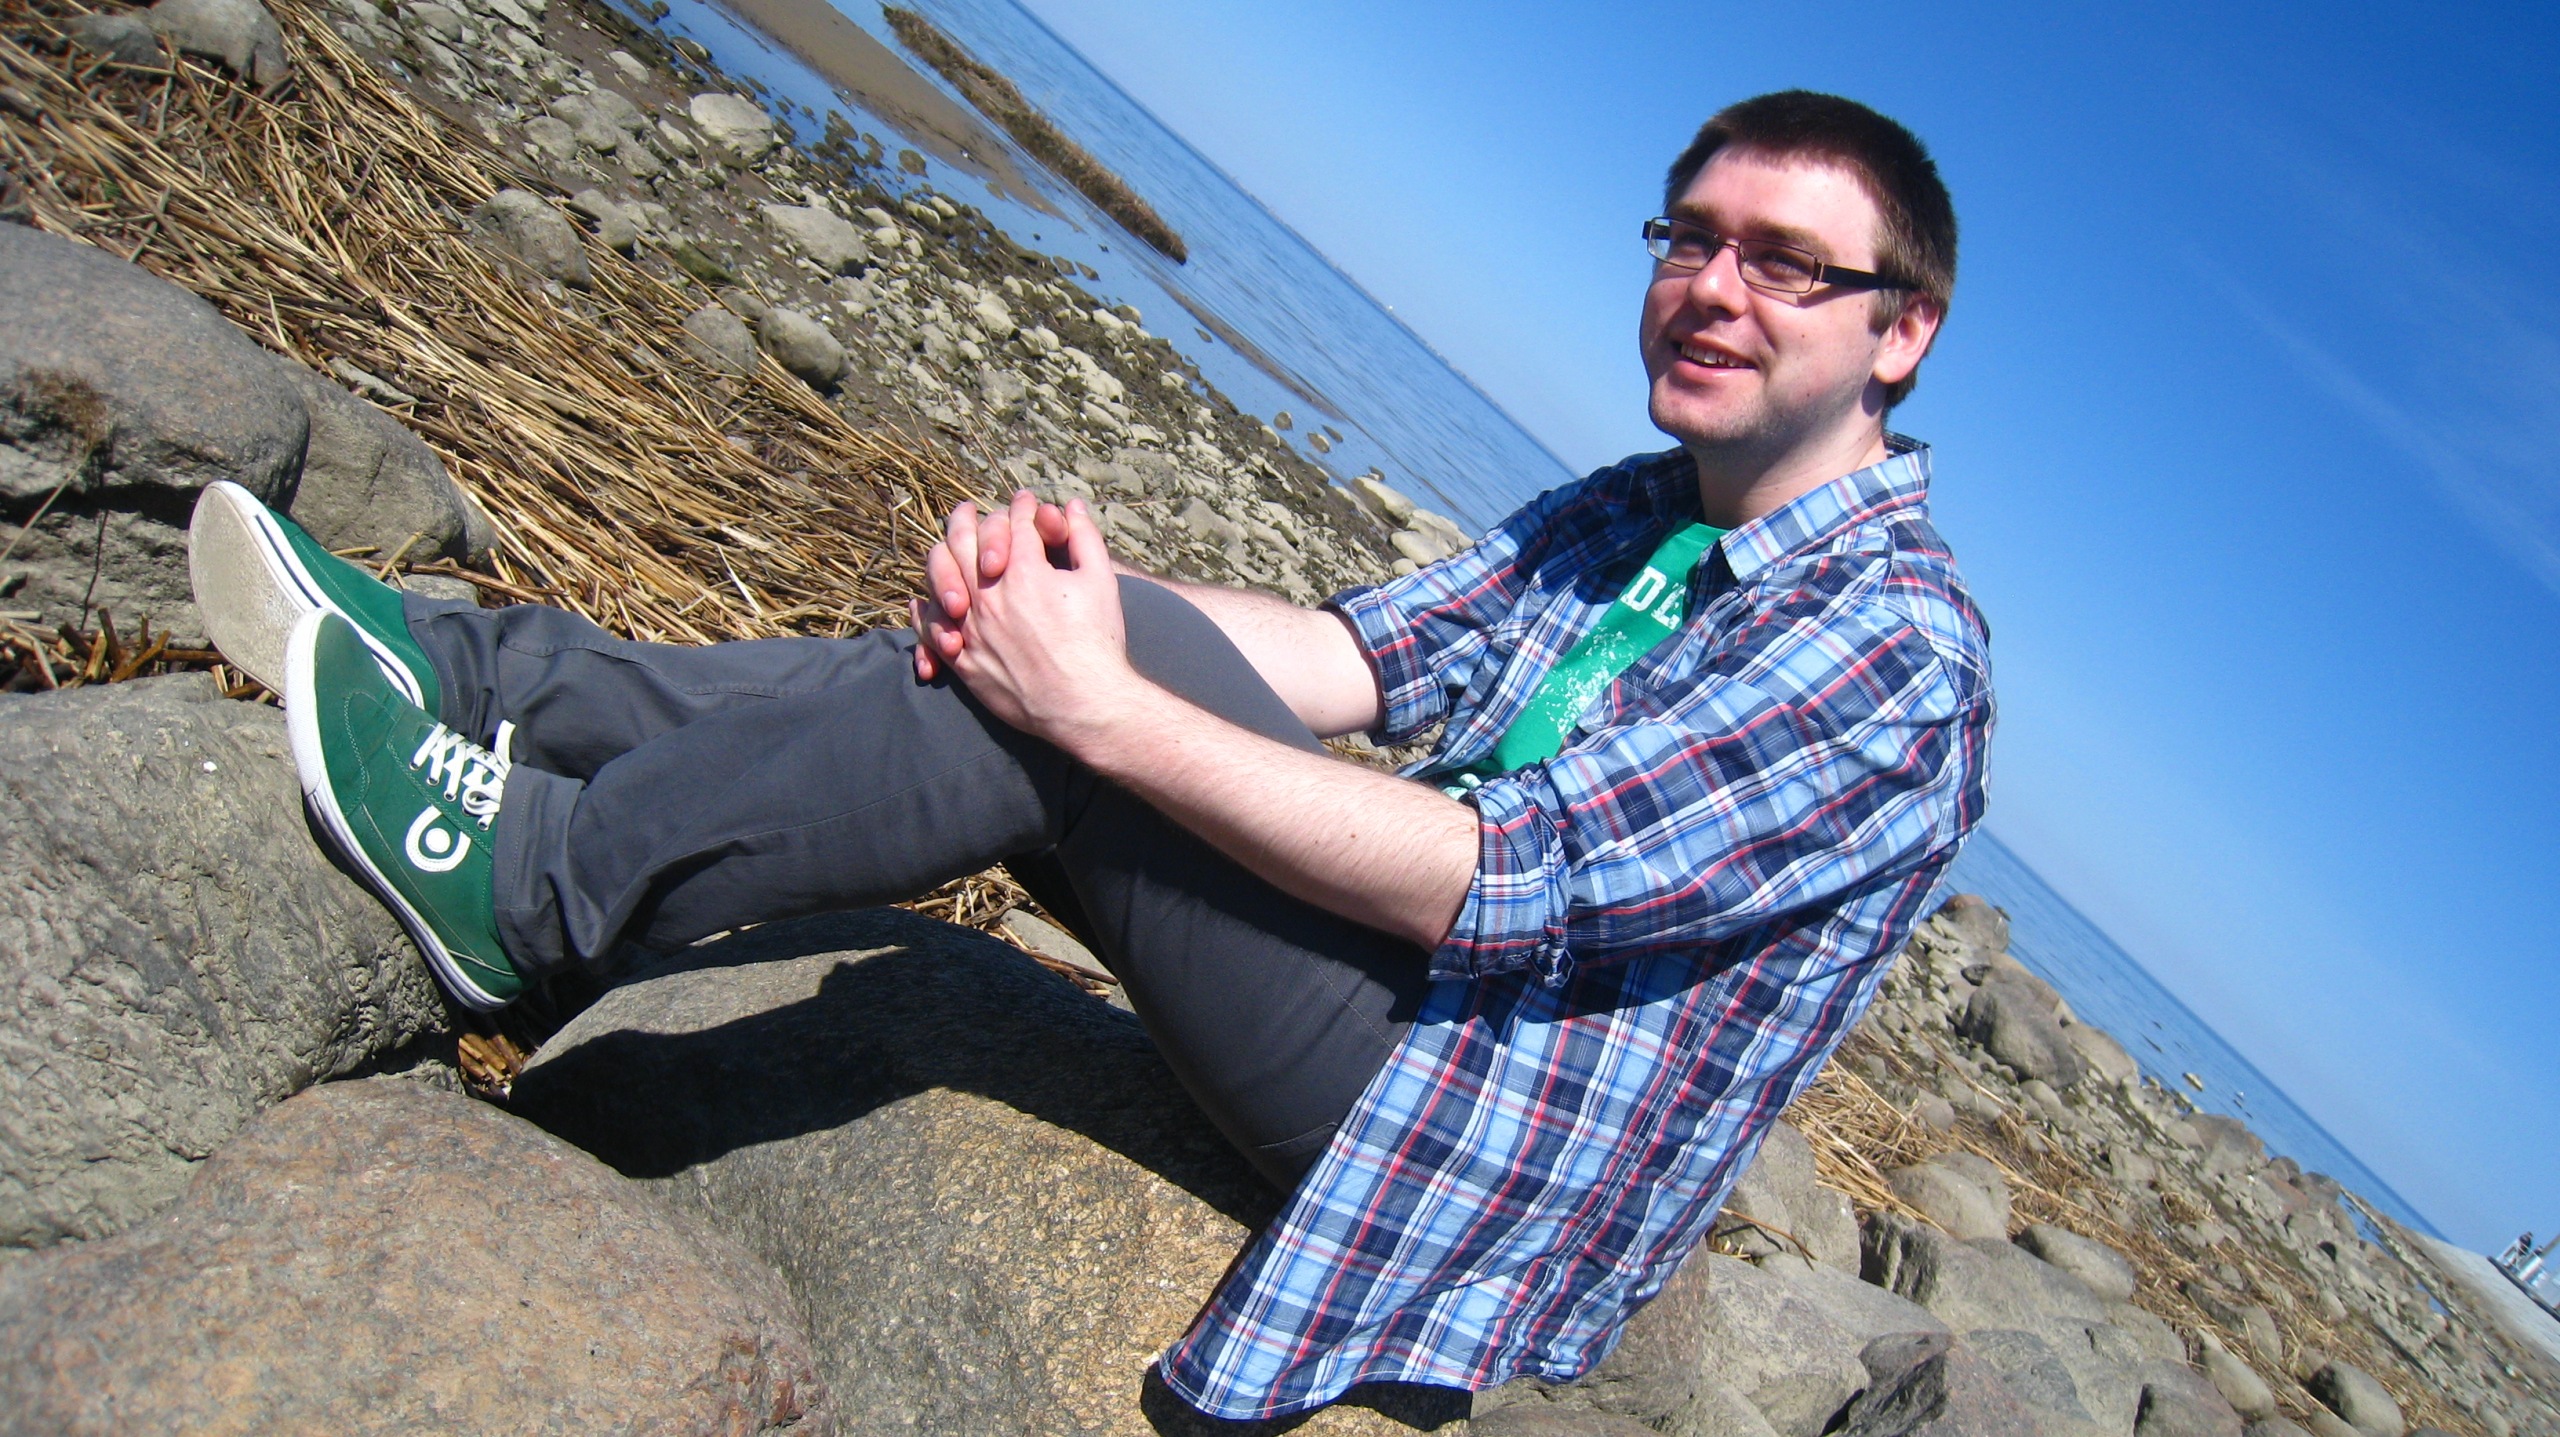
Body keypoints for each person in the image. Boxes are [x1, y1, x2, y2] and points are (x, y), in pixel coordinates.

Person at [187, 88, 1991, 1420]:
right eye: (1689, 237)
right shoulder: (1642, 509)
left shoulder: (1894, 647)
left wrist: (1100, 704)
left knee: (1066, 713)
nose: (1711, 285)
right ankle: (470, 677)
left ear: (1898, 332)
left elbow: (1508, 881)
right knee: (1025, 643)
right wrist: (1059, 595)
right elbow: (1354, 657)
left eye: (1783, 261)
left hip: (1459, 1127)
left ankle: (525, 894)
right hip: (1406, 995)